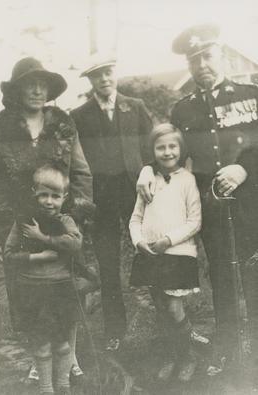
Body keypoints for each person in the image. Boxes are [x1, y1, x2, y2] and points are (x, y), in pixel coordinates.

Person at [136, 24, 258, 375]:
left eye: (207, 56)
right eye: (194, 60)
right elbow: (169, 153)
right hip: (214, 208)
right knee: (222, 278)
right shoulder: (183, 111)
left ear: (220, 54)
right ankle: (231, 352)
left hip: (253, 204)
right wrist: (148, 170)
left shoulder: (251, 94)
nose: (202, 64)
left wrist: (244, 169)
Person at [0, 57, 93, 381]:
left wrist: (76, 215)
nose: (36, 90)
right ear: (17, 90)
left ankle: (70, 357)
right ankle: (40, 360)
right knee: (31, 295)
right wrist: (2, 224)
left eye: (42, 84)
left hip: (61, 222)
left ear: (48, 89)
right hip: (20, 226)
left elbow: (81, 172)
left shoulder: (63, 123)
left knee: (68, 288)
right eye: (29, 84)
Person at [70, 55, 152, 351]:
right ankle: (115, 329)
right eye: (97, 76)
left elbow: (151, 147)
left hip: (137, 193)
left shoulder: (136, 107)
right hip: (101, 199)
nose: (104, 79)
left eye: (108, 73)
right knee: (107, 262)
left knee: (152, 251)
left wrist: (149, 175)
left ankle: (174, 320)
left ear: (114, 74)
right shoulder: (79, 115)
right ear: (90, 81)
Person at [129, 123, 202, 382]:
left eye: (173, 146)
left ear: (181, 149)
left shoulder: (187, 180)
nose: (167, 152)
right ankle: (172, 355)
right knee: (160, 306)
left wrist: (168, 240)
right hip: (150, 256)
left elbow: (194, 221)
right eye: (161, 147)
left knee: (173, 307)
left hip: (178, 255)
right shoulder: (147, 181)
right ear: (153, 151)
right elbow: (135, 219)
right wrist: (139, 242)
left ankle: (187, 356)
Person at [4, 166, 82, 395]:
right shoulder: (24, 222)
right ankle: (46, 388)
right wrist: (36, 257)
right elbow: (8, 256)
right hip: (32, 290)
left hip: (60, 288)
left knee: (62, 342)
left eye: (55, 196)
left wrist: (43, 238)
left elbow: (75, 244)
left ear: (64, 197)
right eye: (43, 195)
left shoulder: (66, 221)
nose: (49, 202)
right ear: (34, 194)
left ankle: (63, 385)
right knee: (41, 343)